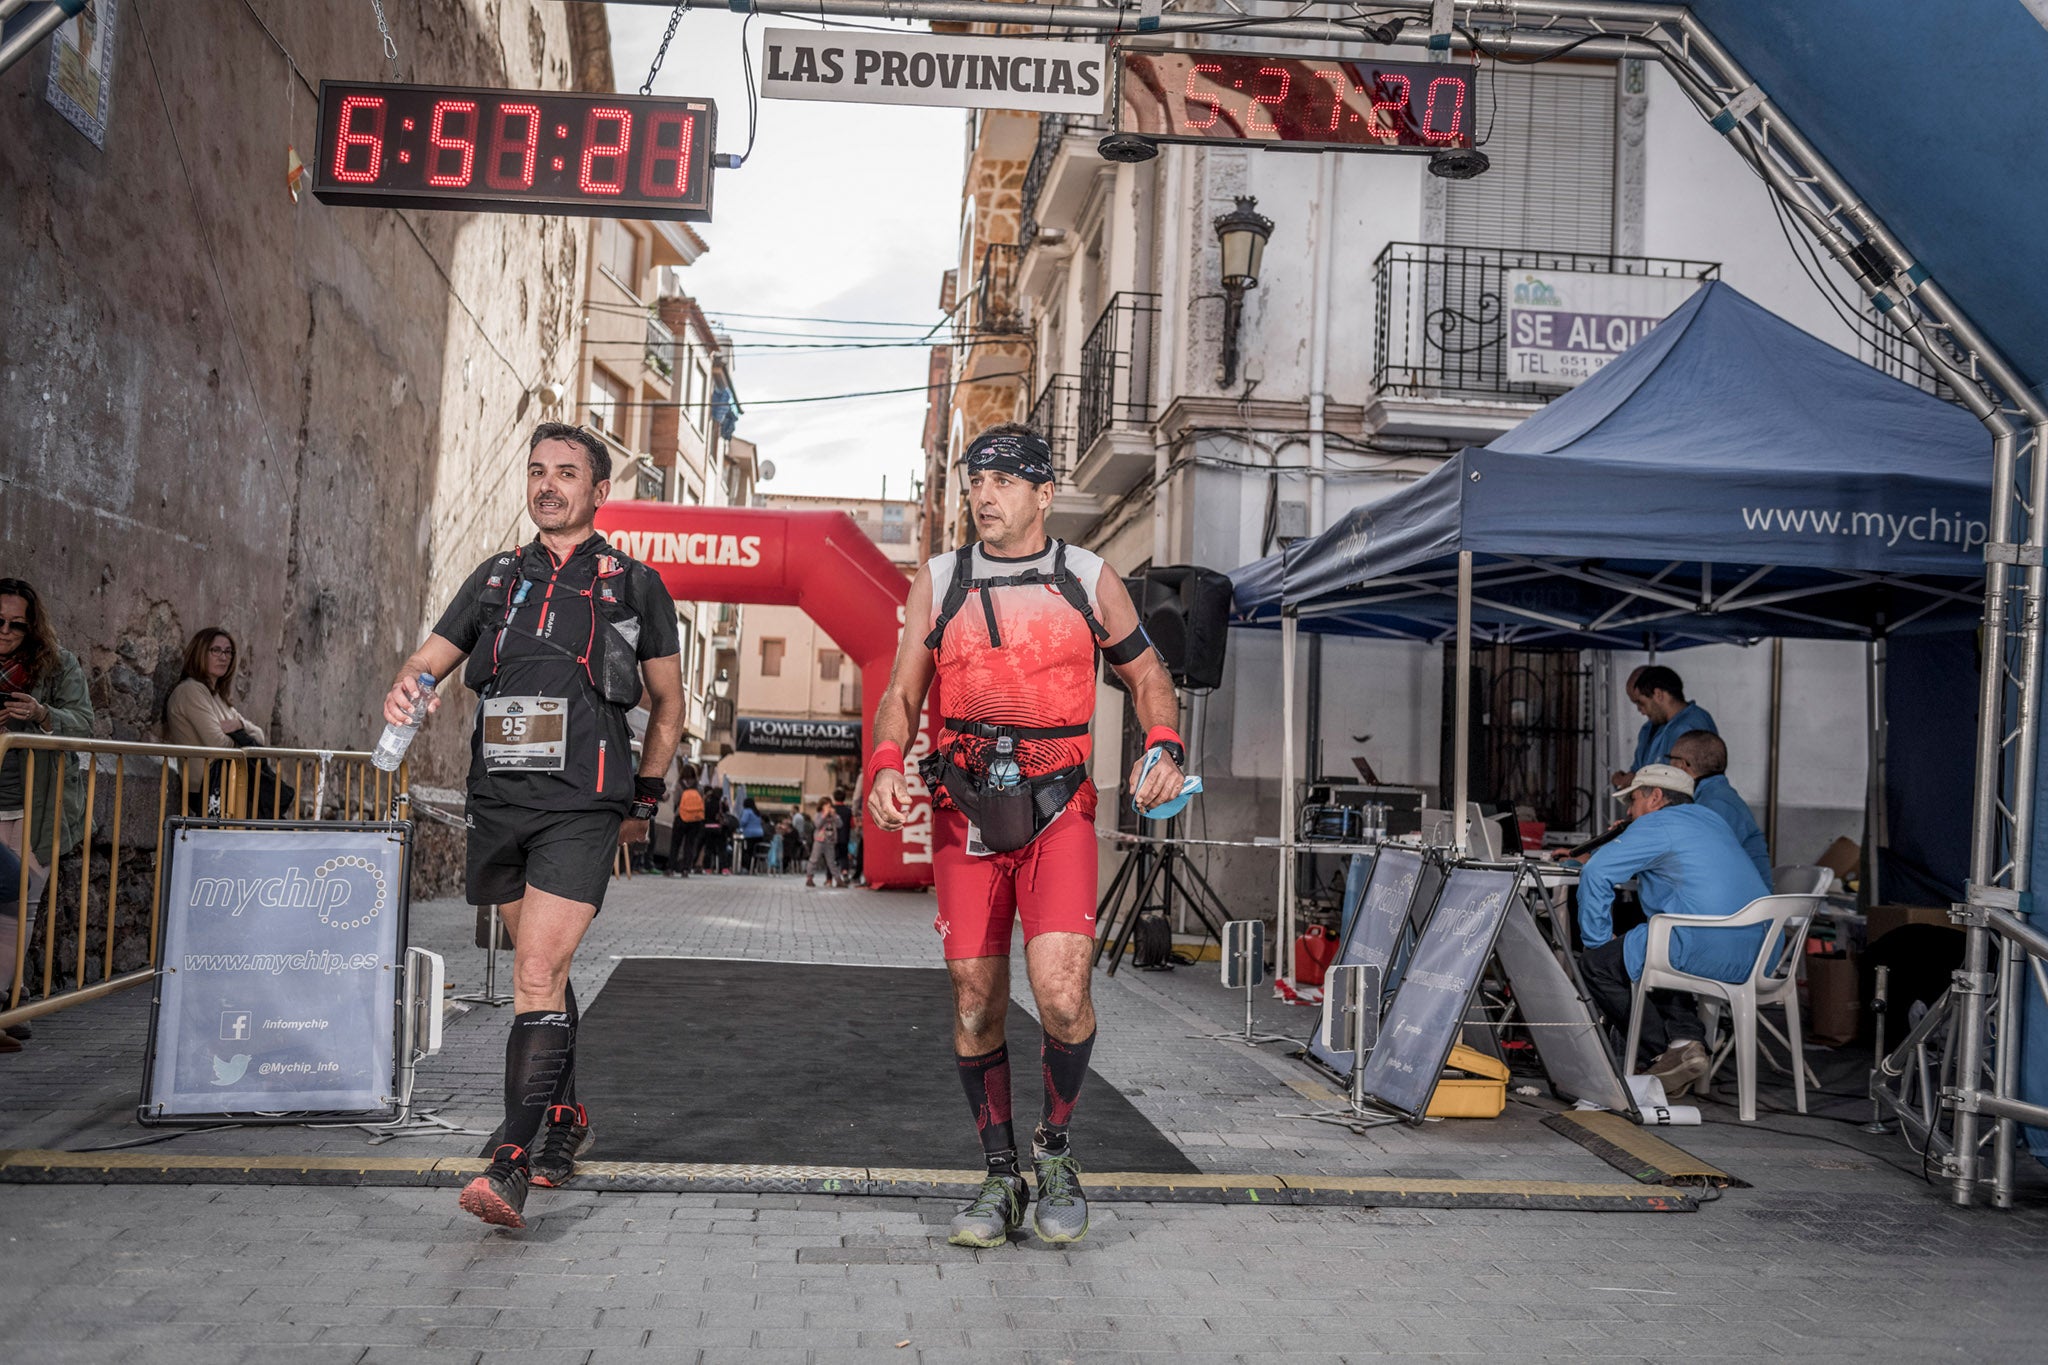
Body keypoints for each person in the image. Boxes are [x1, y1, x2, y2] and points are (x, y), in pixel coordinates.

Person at [866, 423, 1188, 1249]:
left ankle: (1056, 1152)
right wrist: (887, 760)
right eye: (978, 479)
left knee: (1062, 996)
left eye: (1005, 480)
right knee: (976, 1003)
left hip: (1058, 813)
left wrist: (1163, 743)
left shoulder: (1086, 578)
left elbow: (1149, 676)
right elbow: (903, 692)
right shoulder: (939, 580)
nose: (984, 493)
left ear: (1045, 494)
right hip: (965, 809)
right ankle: (999, 1173)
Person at [381, 422, 684, 1229]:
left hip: (584, 800)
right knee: (538, 971)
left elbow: (669, 703)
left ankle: (510, 1159)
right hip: (499, 800)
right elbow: (426, 661)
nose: (549, 484)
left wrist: (645, 795)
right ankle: (567, 1117)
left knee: (536, 974)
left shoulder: (634, 585)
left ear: (598, 491)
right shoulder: (496, 580)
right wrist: (408, 689)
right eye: (538, 471)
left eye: (567, 473)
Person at [1575, 763, 1771, 1097]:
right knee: (1650, 949)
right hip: (1759, 950)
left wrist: (1596, 943)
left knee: (1598, 966)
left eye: (1632, 801)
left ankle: (1665, 1052)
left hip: (1704, 945)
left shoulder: (1656, 823)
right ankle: (1685, 1041)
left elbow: (1595, 873)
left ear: (1654, 797)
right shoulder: (1712, 820)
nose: (1630, 811)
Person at [0, 579, 92, 882]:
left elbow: (83, 725)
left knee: (20, 910)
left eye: (17, 625)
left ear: (32, 628)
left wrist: (41, 714)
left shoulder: (58, 664)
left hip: (36, 805)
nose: (5, 631)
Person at [163, 628, 281, 814]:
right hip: (207, 791)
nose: (223, 657)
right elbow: (217, 743)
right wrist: (242, 738)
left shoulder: (219, 698)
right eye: (216, 650)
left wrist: (239, 726)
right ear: (200, 652)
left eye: (228, 652)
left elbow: (259, 737)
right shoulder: (191, 691)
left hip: (231, 788)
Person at [1668, 732, 1771, 882]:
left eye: (1670, 759)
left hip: (1746, 902)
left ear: (1682, 765)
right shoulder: (1714, 796)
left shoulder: (1716, 804)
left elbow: (1700, 859)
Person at [1611, 664, 1718, 787]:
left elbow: (1685, 785)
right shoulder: (1650, 728)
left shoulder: (1691, 727)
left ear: (1658, 694)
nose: (1641, 710)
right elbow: (1640, 770)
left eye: (1641, 703)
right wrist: (1630, 778)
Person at [666, 763, 704, 877]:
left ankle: (671, 868)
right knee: (689, 845)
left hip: (680, 817)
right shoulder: (699, 787)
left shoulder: (679, 785)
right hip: (695, 820)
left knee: (675, 844)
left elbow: (676, 800)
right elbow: (701, 801)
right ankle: (686, 869)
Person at [804, 795, 841, 887]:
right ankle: (809, 878)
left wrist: (834, 815)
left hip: (830, 841)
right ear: (822, 806)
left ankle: (838, 880)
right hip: (819, 840)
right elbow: (817, 824)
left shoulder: (833, 815)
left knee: (831, 862)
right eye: (826, 805)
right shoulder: (818, 815)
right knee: (814, 860)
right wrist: (824, 815)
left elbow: (840, 824)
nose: (829, 807)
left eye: (830, 805)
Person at [831, 786, 854, 887]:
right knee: (844, 856)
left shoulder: (831, 810)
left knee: (831, 857)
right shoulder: (848, 811)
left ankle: (829, 879)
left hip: (831, 837)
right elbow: (852, 824)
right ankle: (844, 872)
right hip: (845, 837)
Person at [737, 797, 765, 873]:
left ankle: (746, 868)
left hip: (750, 834)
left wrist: (739, 827)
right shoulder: (757, 812)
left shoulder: (747, 811)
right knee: (755, 852)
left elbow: (743, 822)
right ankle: (754, 867)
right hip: (759, 834)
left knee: (747, 851)